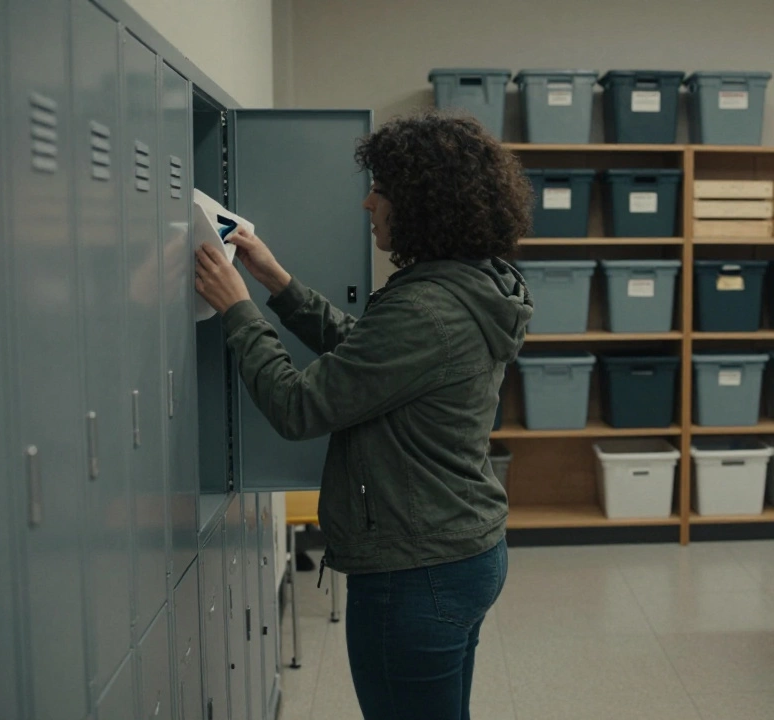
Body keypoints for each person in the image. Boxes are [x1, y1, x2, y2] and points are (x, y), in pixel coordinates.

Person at [194, 111, 534, 720]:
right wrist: (278, 285)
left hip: (416, 570)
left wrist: (238, 311)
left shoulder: (427, 306)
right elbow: (371, 357)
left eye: (381, 189)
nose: (367, 203)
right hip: (461, 549)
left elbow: (300, 407)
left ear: (425, 203)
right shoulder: (465, 287)